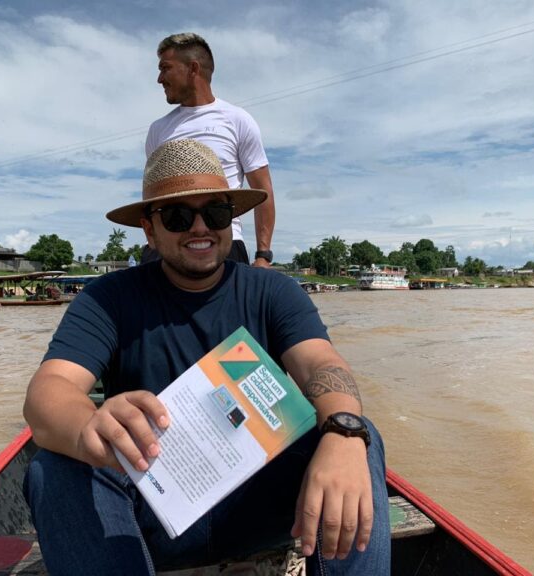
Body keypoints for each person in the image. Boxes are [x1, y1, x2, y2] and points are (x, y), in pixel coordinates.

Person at [23, 139, 390, 575]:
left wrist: (342, 431)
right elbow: (50, 390)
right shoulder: (109, 299)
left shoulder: (272, 292)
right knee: (54, 466)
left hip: (263, 501)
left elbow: (321, 363)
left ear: (230, 221)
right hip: (154, 506)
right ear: (149, 230)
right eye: (179, 216)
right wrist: (87, 427)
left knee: (354, 433)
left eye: (215, 213)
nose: (200, 228)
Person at [141, 32, 276, 268]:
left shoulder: (237, 120)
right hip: (169, 244)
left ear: (193, 68)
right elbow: (153, 197)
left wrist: (263, 255)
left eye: (165, 68)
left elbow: (262, 188)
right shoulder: (158, 130)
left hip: (225, 240)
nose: (159, 79)